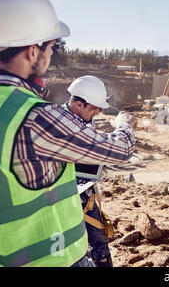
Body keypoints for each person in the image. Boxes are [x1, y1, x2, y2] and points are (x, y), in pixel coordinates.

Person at [0, 0, 136, 267]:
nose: (52, 54)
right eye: (51, 47)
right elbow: (122, 149)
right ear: (32, 50)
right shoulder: (38, 118)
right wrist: (124, 125)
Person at [64, 75, 114, 267]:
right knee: (74, 248)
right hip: (63, 199)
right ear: (78, 104)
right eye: (94, 108)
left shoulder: (85, 119)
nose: (98, 112)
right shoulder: (59, 125)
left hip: (85, 193)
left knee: (99, 241)